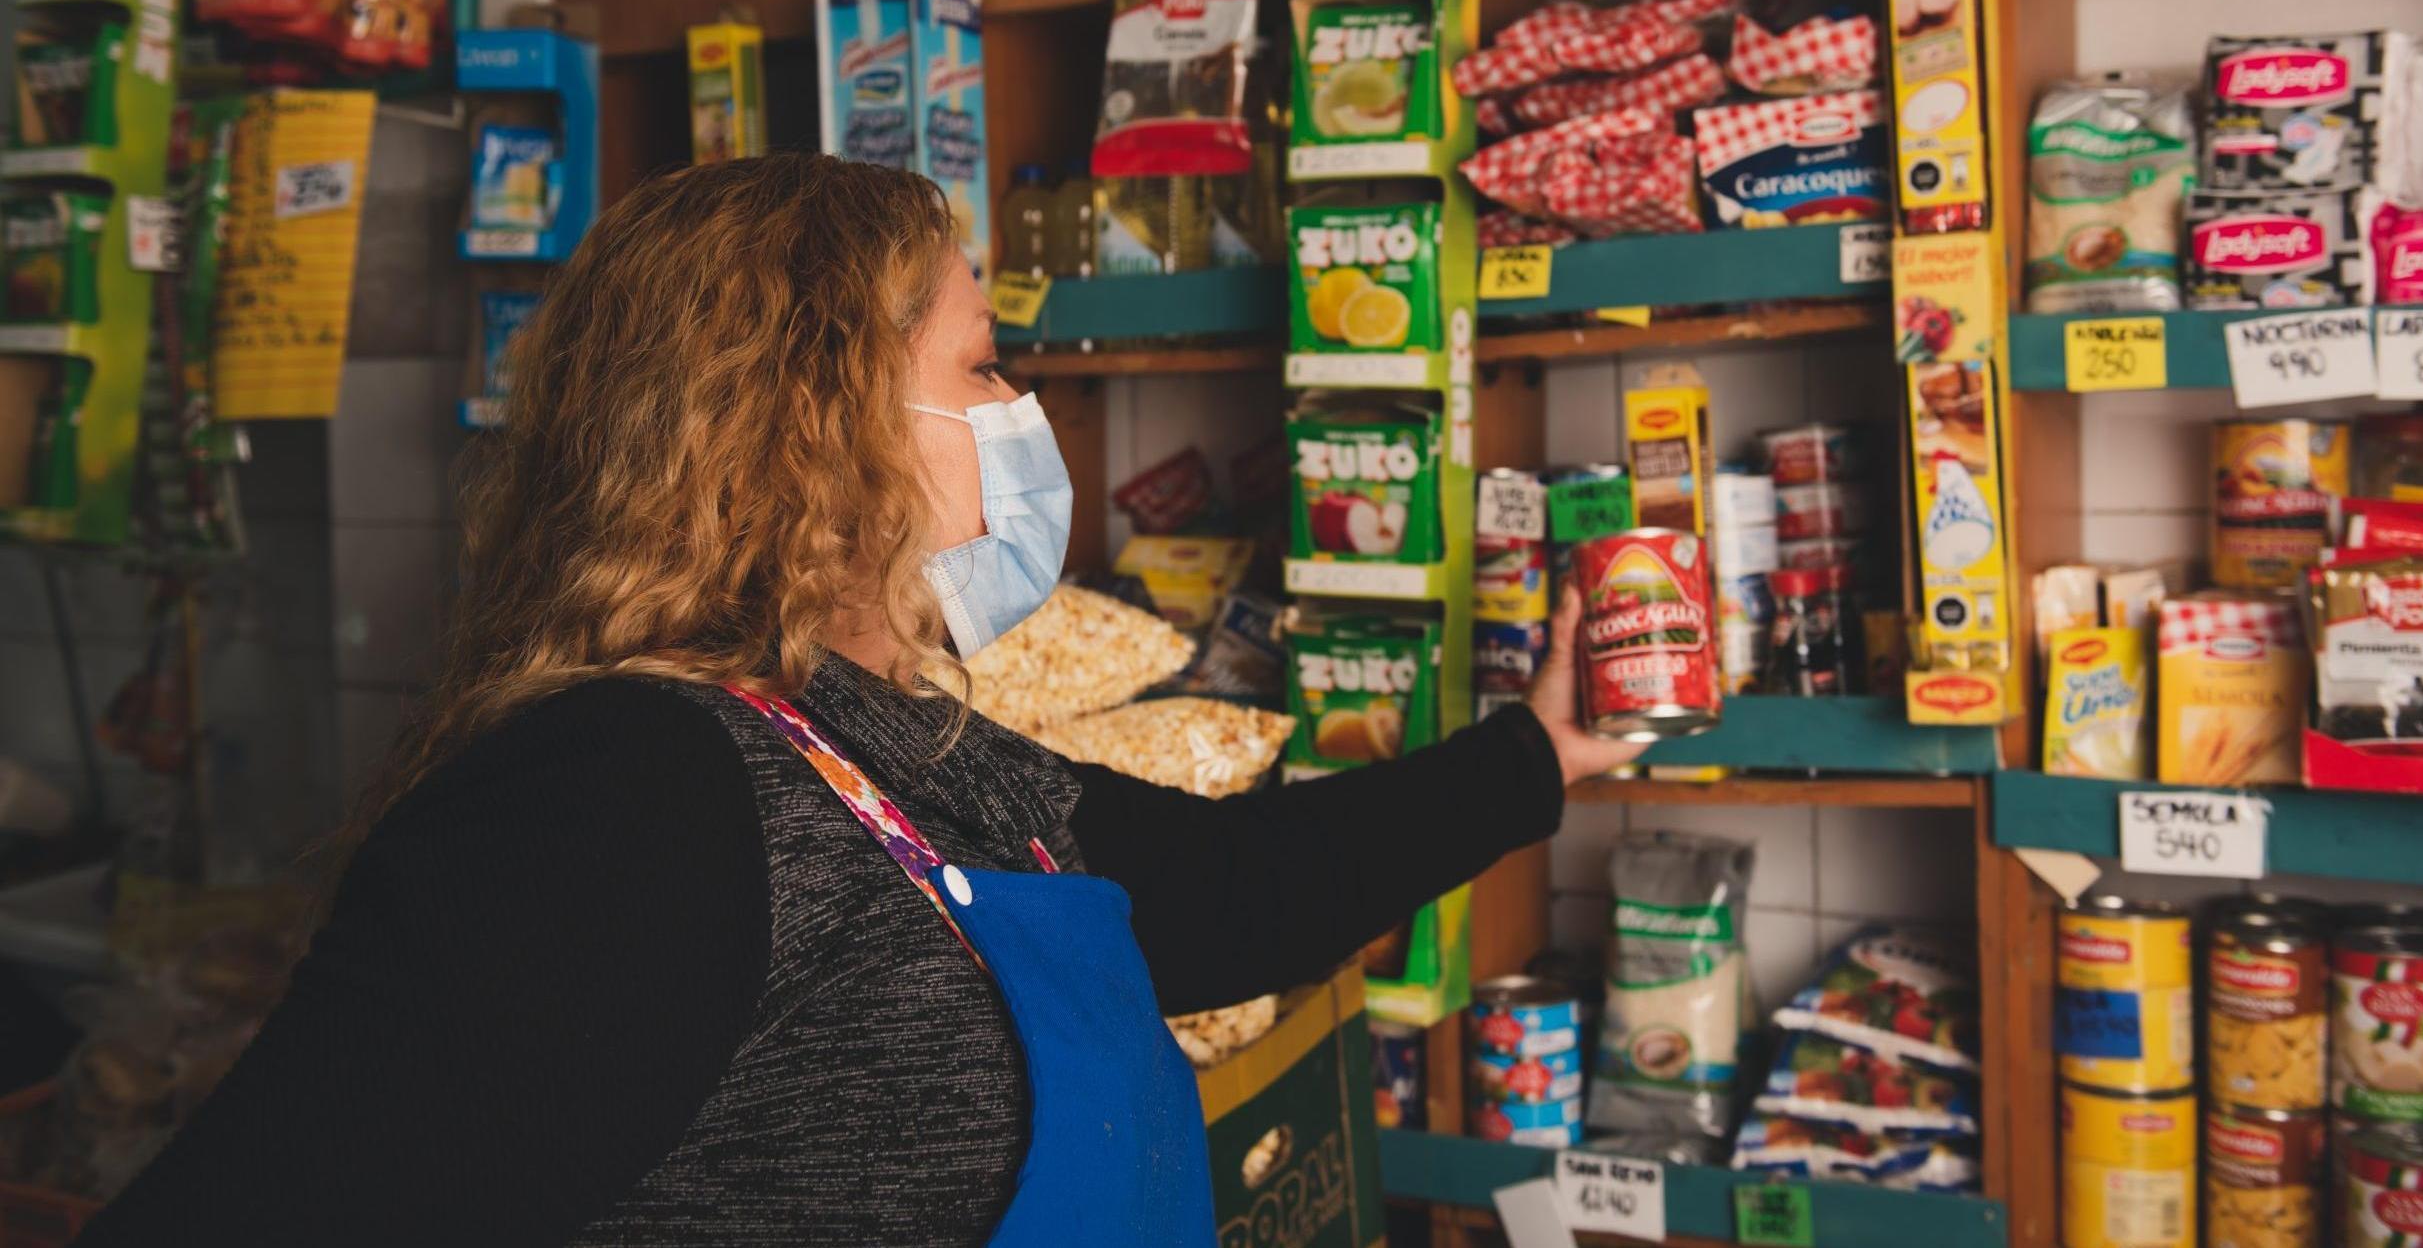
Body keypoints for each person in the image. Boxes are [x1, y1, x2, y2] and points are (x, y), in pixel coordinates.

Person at [75, 154, 1639, 1247]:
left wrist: (1536, 756)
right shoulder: (619, 799)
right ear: (810, 421)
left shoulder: (870, 741)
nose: (1022, 415)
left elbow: (1219, 897)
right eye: (981, 366)